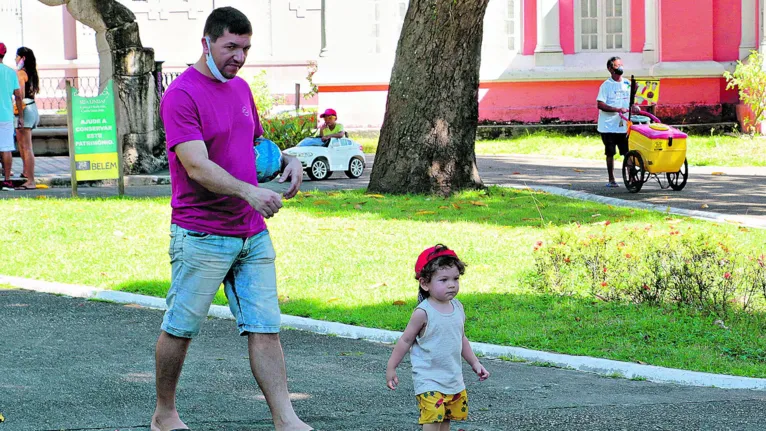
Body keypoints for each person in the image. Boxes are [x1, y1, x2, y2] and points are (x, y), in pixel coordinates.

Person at [152, 7, 311, 431]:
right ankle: (164, 414)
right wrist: (248, 192)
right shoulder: (182, 95)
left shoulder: (241, 89)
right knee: (180, 329)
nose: (239, 57)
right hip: (202, 233)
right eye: (230, 47)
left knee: (266, 328)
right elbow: (197, 166)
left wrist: (288, 159)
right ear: (206, 43)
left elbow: (255, 143)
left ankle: (285, 418)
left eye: (245, 48)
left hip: (251, 233)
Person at [386, 245, 490, 431]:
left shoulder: (458, 307)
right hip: (428, 379)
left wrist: (475, 363)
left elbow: (461, 339)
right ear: (425, 283)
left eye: (455, 279)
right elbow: (405, 340)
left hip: (452, 377)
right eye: (443, 280)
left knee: (446, 420)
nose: (452, 284)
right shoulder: (423, 312)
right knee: (433, 420)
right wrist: (391, 367)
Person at [596, 56, 638, 188]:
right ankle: (611, 179)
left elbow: (630, 101)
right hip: (608, 126)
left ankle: (631, 178)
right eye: (616, 65)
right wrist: (617, 109)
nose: (620, 68)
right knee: (610, 153)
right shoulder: (606, 85)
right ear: (610, 69)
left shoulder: (627, 84)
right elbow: (600, 105)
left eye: (621, 65)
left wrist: (634, 106)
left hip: (624, 125)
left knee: (627, 153)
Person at [14, 46, 40, 190]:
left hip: (24, 110)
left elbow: (20, 95)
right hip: (32, 107)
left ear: (22, 58)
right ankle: (26, 173)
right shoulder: (32, 73)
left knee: (26, 147)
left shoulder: (20, 74)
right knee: (24, 145)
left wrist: (20, 116)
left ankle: (30, 180)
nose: (15, 59)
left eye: (17, 56)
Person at [0, 43, 23, 191]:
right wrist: (20, 116)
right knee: (6, 148)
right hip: (6, 115)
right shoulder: (10, 72)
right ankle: (7, 180)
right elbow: (19, 96)